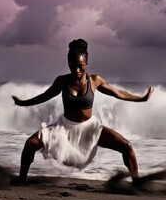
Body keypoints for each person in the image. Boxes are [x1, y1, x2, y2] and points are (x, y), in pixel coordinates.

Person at [12, 39, 153, 184]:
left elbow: (118, 93)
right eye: (73, 66)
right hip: (64, 128)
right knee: (30, 144)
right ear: (68, 63)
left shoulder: (94, 80)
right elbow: (44, 97)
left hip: (90, 129)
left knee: (126, 146)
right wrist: (23, 103)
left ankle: (137, 182)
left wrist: (141, 98)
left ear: (86, 63)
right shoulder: (62, 81)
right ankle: (21, 179)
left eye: (80, 66)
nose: (77, 70)